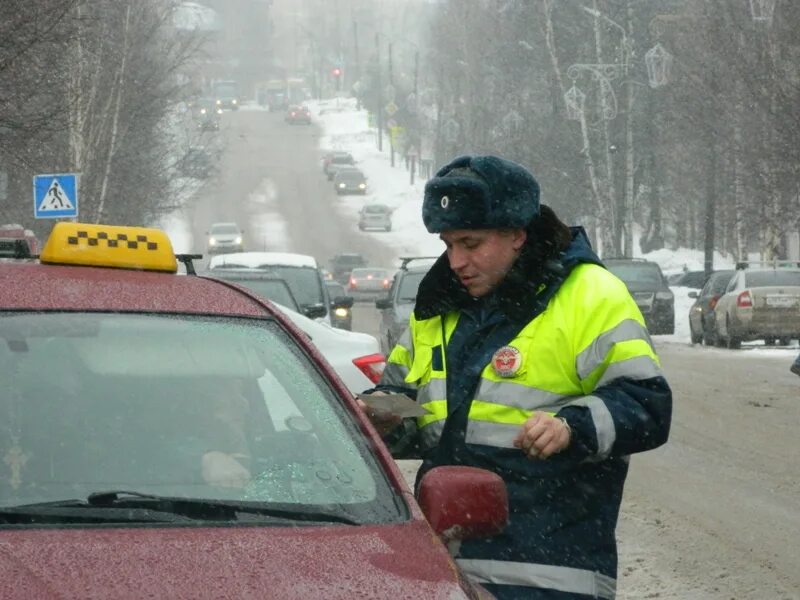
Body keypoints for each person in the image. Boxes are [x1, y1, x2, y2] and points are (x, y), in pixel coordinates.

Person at [360, 155, 672, 599]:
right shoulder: (436, 310)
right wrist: (381, 414)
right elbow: (413, 405)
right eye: (448, 245)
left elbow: (648, 404)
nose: (456, 262)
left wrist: (570, 426)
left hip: (550, 574)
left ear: (518, 235)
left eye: (471, 243)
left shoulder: (592, 295)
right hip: (443, 569)